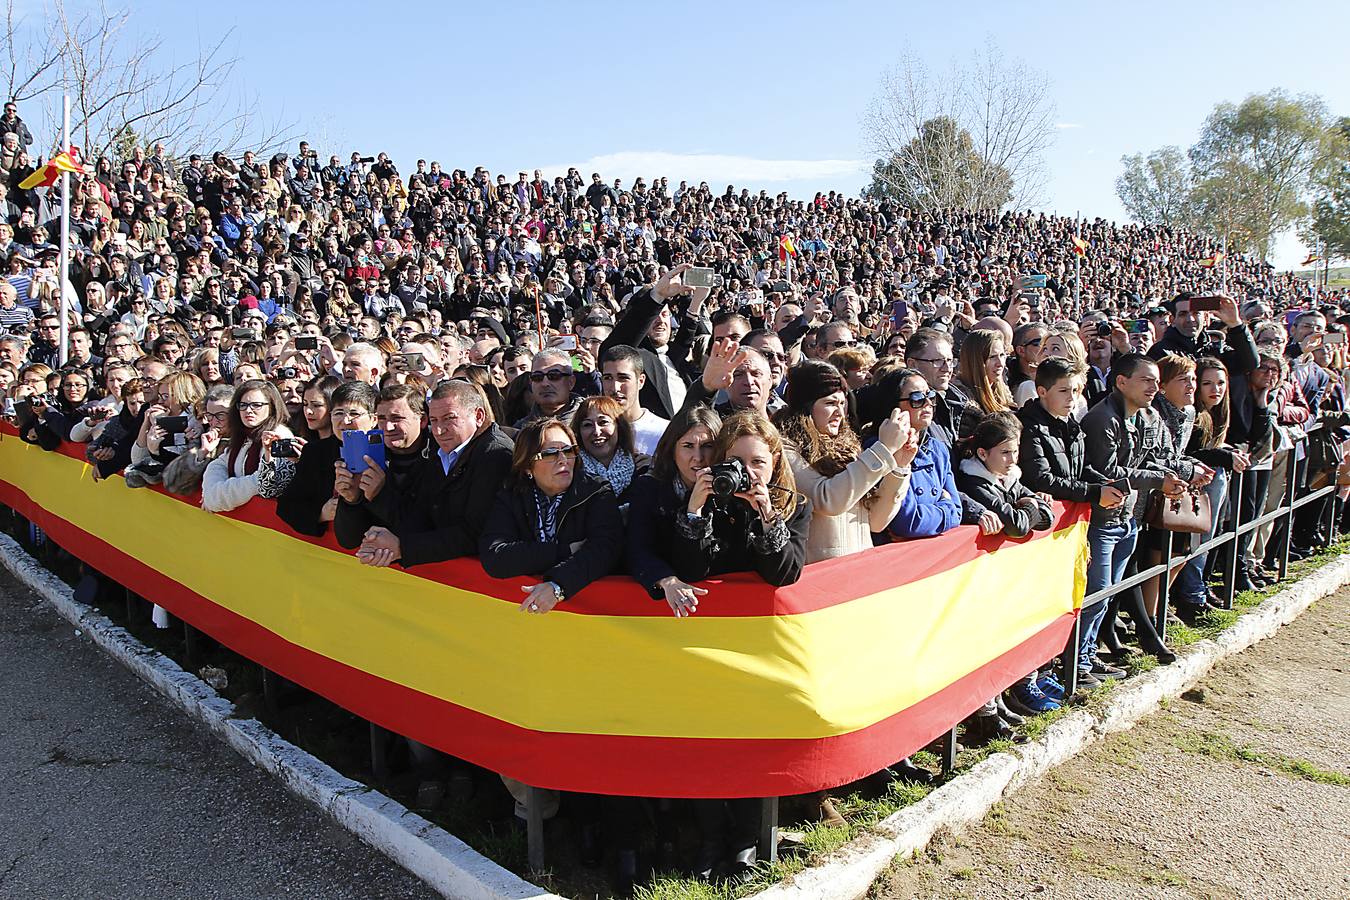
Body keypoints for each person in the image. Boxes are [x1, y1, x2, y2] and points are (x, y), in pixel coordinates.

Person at [1078, 354, 1188, 686]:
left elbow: (1154, 458)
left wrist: (1172, 475)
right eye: (1146, 380)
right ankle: (1075, 663)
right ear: (1122, 382)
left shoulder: (1146, 417)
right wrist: (1158, 480)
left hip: (1127, 517)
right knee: (1095, 592)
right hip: (1102, 519)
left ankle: (1088, 654)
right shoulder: (1103, 419)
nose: (1155, 387)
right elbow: (1110, 471)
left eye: (1156, 381)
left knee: (1107, 593)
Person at [354, 379, 512, 568]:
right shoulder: (440, 450)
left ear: (478, 416)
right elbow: (425, 513)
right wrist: (383, 538)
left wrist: (402, 547)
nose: (438, 430)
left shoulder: (495, 456)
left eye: (449, 418)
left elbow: (475, 532)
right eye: (434, 420)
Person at [775, 360, 915, 563]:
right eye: (830, 403)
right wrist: (883, 450)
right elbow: (827, 499)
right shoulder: (784, 448)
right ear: (806, 407)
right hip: (818, 578)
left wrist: (899, 467)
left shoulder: (848, 446)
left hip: (859, 572)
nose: (840, 413)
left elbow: (876, 522)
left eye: (842, 403)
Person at [277, 381, 376, 536]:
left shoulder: (388, 452)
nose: (345, 421)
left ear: (374, 419)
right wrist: (321, 514)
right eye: (338, 413)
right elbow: (287, 506)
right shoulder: (315, 452)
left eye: (354, 414)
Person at [201, 379, 297, 512]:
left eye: (256, 405)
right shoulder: (243, 436)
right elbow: (217, 465)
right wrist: (212, 495)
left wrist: (215, 498)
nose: (248, 410)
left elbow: (266, 483)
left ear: (271, 406)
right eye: (243, 405)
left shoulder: (278, 436)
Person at [571, 394, 650, 504]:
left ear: (619, 426)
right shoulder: (571, 475)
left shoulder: (643, 469)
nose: (597, 432)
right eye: (587, 425)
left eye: (603, 422)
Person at [599, 344, 669, 455]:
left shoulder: (664, 431)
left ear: (641, 381)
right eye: (608, 378)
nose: (615, 387)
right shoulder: (594, 430)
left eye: (623, 378)